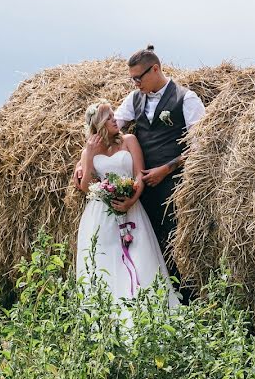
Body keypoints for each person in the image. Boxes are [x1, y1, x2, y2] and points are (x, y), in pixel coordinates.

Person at [114, 45, 206, 302]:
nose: (135, 84)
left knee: (174, 245)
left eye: (138, 78)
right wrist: (86, 156)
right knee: (143, 243)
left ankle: (186, 302)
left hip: (173, 185)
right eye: (132, 79)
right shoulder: (134, 99)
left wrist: (167, 169)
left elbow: (201, 146)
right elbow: (112, 125)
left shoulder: (186, 99)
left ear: (155, 69)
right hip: (141, 187)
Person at [74, 101, 180, 314]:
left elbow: (139, 174)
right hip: (101, 214)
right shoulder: (90, 150)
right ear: (99, 123)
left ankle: (148, 312)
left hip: (131, 209)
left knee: (140, 257)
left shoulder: (129, 140)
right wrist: (88, 155)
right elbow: (85, 187)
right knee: (104, 260)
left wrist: (132, 200)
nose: (116, 120)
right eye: (110, 117)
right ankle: (108, 316)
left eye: (114, 115)